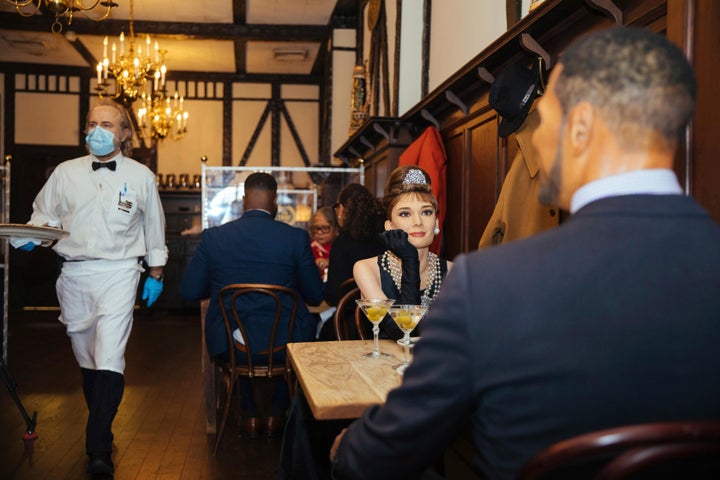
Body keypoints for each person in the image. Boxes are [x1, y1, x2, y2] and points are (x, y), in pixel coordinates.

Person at [330, 27, 720, 480]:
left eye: (544, 120)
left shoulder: (490, 282)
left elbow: (389, 448)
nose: (535, 141)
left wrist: (344, 449)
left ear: (579, 129)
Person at [12, 100, 168, 476]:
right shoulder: (65, 173)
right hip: (73, 274)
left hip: (120, 272)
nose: (99, 131)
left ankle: (98, 448)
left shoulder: (142, 176)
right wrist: (33, 236)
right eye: (93, 123)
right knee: (89, 362)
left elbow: (154, 229)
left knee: (110, 355)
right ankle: (103, 427)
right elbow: (43, 215)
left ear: (124, 133)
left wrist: (156, 275)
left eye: (108, 124)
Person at [180, 172, 323, 437]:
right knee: (301, 330)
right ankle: (276, 411)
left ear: (244, 201)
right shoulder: (295, 238)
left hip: (233, 348)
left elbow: (189, 290)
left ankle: (248, 411)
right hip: (286, 345)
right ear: (276, 201)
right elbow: (315, 295)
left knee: (238, 330)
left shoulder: (215, 238)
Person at [353, 165, 452, 340]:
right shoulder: (366, 269)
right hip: (383, 365)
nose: (418, 222)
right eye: (405, 214)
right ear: (389, 227)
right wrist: (409, 259)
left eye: (426, 212)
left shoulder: (454, 271)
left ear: (436, 222)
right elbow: (402, 330)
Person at [322, 183, 385, 307]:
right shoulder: (385, 238)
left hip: (348, 319)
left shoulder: (341, 243)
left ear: (341, 209)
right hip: (383, 315)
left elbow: (333, 296)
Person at [308, 206, 339, 279]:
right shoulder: (307, 248)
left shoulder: (341, 247)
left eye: (325, 228)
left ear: (336, 229)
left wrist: (331, 262)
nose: (319, 232)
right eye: (316, 228)